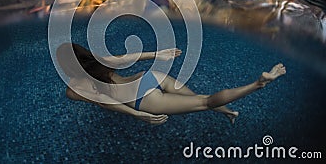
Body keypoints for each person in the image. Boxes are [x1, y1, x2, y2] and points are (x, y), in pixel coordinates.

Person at [57, 43, 286, 125]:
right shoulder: (99, 60)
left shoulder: (74, 88)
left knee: (205, 102)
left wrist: (138, 115)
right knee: (198, 98)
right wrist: (157, 54)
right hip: (148, 76)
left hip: (143, 98)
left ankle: (257, 83)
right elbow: (127, 58)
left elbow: (107, 102)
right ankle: (229, 112)